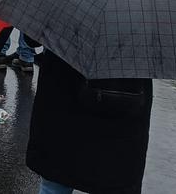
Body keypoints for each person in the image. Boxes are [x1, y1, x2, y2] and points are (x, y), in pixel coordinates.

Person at [27, 49, 152, 194]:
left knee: (55, 181)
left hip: (63, 96)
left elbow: (36, 37)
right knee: (113, 176)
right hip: (126, 97)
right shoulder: (145, 30)